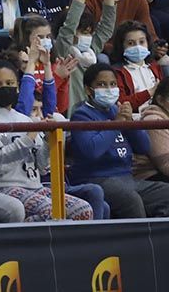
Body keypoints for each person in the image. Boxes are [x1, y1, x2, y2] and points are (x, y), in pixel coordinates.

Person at [0, 58, 93, 221]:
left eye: (9, 83)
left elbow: (41, 167)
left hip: (34, 186)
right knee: (50, 211)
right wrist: (29, 137)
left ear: (18, 87)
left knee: (83, 210)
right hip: (0, 186)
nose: (4, 88)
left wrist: (49, 141)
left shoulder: (25, 119)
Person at [69, 63, 169, 219]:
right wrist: (116, 124)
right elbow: (92, 151)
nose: (109, 89)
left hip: (128, 178)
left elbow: (143, 146)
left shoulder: (117, 111)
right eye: (102, 85)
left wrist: (129, 123)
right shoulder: (81, 115)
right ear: (88, 90)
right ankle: (140, 242)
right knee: (130, 200)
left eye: (113, 84)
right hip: (96, 179)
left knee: (165, 193)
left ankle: (159, 240)